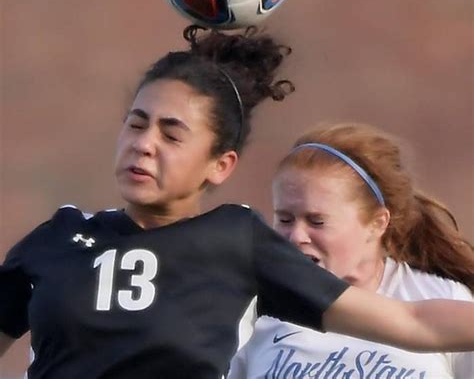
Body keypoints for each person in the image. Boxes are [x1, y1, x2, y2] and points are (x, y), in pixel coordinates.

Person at [0, 29, 473, 379]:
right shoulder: (56, 239)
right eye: (136, 124)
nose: (143, 144)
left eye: (171, 133)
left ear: (219, 165)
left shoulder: (236, 243)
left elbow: (413, 321)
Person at [228, 122, 474, 379]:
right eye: (285, 219)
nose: (296, 236)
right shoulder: (254, 310)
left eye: (317, 221)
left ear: (377, 223)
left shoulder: (441, 297)